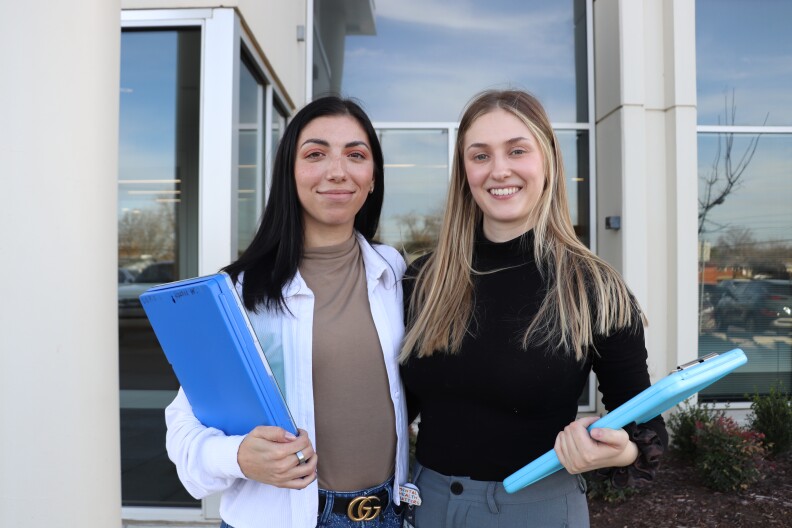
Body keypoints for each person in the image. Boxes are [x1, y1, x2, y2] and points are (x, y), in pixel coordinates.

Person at [399, 89, 667, 526]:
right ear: (464, 171)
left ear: (548, 161)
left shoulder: (593, 287)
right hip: (423, 504)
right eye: (480, 155)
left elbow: (647, 426)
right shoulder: (425, 279)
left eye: (517, 150)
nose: (499, 170)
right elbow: (396, 405)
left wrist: (623, 450)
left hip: (536, 508)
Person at [165, 96, 409, 528]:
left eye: (356, 155)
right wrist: (238, 455)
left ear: (372, 178)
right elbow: (183, 428)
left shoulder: (394, 272)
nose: (338, 171)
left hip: (390, 514)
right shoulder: (241, 293)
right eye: (315, 154)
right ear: (290, 174)